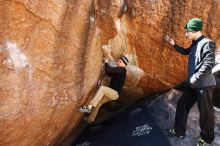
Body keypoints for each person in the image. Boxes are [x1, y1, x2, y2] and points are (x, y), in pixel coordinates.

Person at [165, 18, 216, 146]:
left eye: (187, 31)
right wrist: (173, 44)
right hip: (192, 84)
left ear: (194, 30)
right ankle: (179, 131)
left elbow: (209, 63)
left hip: (203, 85)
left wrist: (194, 78)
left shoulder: (207, 43)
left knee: (206, 113)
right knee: (182, 105)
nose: (185, 34)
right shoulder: (194, 43)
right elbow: (186, 52)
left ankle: (207, 138)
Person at [79, 55, 129, 122]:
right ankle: (90, 120)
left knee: (102, 88)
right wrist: (106, 66)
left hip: (114, 93)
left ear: (124, 64)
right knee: (98, 103)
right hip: (113, 95)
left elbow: (109, 69)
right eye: (118, 61)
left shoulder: (122, 70)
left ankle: (89, 107)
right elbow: (109, 73)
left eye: (120, 62)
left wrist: (106, 62)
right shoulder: (119, 71)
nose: (118, 62)